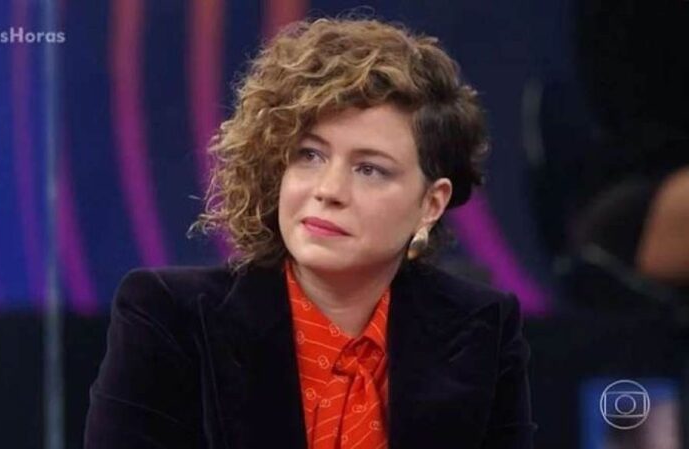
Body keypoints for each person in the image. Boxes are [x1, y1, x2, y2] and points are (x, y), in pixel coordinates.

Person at [84, 16, 536, 449]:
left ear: (431, 204)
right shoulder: (169, 318)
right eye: (310, 156)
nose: (329, 190)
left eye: (370, 169)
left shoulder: (481, 329)